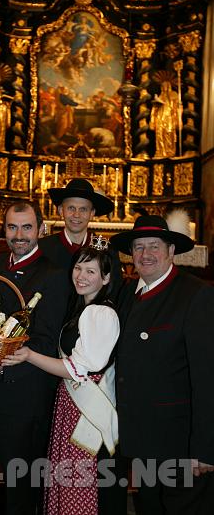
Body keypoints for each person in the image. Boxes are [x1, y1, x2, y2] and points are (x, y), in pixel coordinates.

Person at [0, 201, 69, 515]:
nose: (19, 235)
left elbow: (47, 339)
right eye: (12, 227)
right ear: (4, 229)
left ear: (41, 229)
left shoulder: (54, 275)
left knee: (20, 492)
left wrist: (3, 363)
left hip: (20, 398)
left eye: (26, 227)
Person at [2, 238, 121, 515]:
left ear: (106, 278)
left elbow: (78, 368)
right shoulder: (82, 308)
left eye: (91, 271)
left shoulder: (100, 312)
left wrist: (29, 355)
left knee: (82, 485)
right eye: (78, 268)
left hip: (87, 412)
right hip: (72, 405)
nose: (81, 276)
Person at [110, 214, 214, 515]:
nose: (145, 254)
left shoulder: (196, 295)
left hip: (181, 445)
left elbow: (207, 379)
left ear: (171, 251)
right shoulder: (128, 293)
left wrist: (205, 450)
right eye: (138, 247)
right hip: (143, 439)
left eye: (154, 246)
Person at [39, 178, 122, 300]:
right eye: (71, 208)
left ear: (92, 213)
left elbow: (114, 290)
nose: (76, 215)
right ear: (61, 210)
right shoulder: (42, 248)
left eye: (83, 209)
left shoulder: (107, 250)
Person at [149, 81, 179, 158]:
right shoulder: (161, 95)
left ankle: (169, 151)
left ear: (169, 86)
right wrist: (152, 120)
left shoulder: (173, 94)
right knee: (159, 133)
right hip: (160, 116)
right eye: (162, 85)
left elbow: (176, 106)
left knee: (168, 133)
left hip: (169, 116)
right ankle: (160, 151)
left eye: (166, 85)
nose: (164, 87)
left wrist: (177, 118)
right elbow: (155, 108)